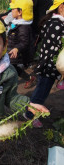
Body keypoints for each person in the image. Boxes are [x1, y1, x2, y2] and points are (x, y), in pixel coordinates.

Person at [23, 0, 64, 128]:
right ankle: (29, 115)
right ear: (61, 7)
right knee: (41, 92)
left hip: (47, 64)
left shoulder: (53, 21)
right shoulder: (57, 25)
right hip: (49, 66)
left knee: (42, 89)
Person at [7, 0, 35, 84]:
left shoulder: (24, 27)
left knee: (10, 68)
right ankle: (29, 78)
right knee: (14, 68)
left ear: (20, 12)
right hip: (12, 51)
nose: (11, 11)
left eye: (13, 9)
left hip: (16, 54)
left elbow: (24, 42)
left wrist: (16, 48)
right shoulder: (18, 23)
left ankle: (8, 85)